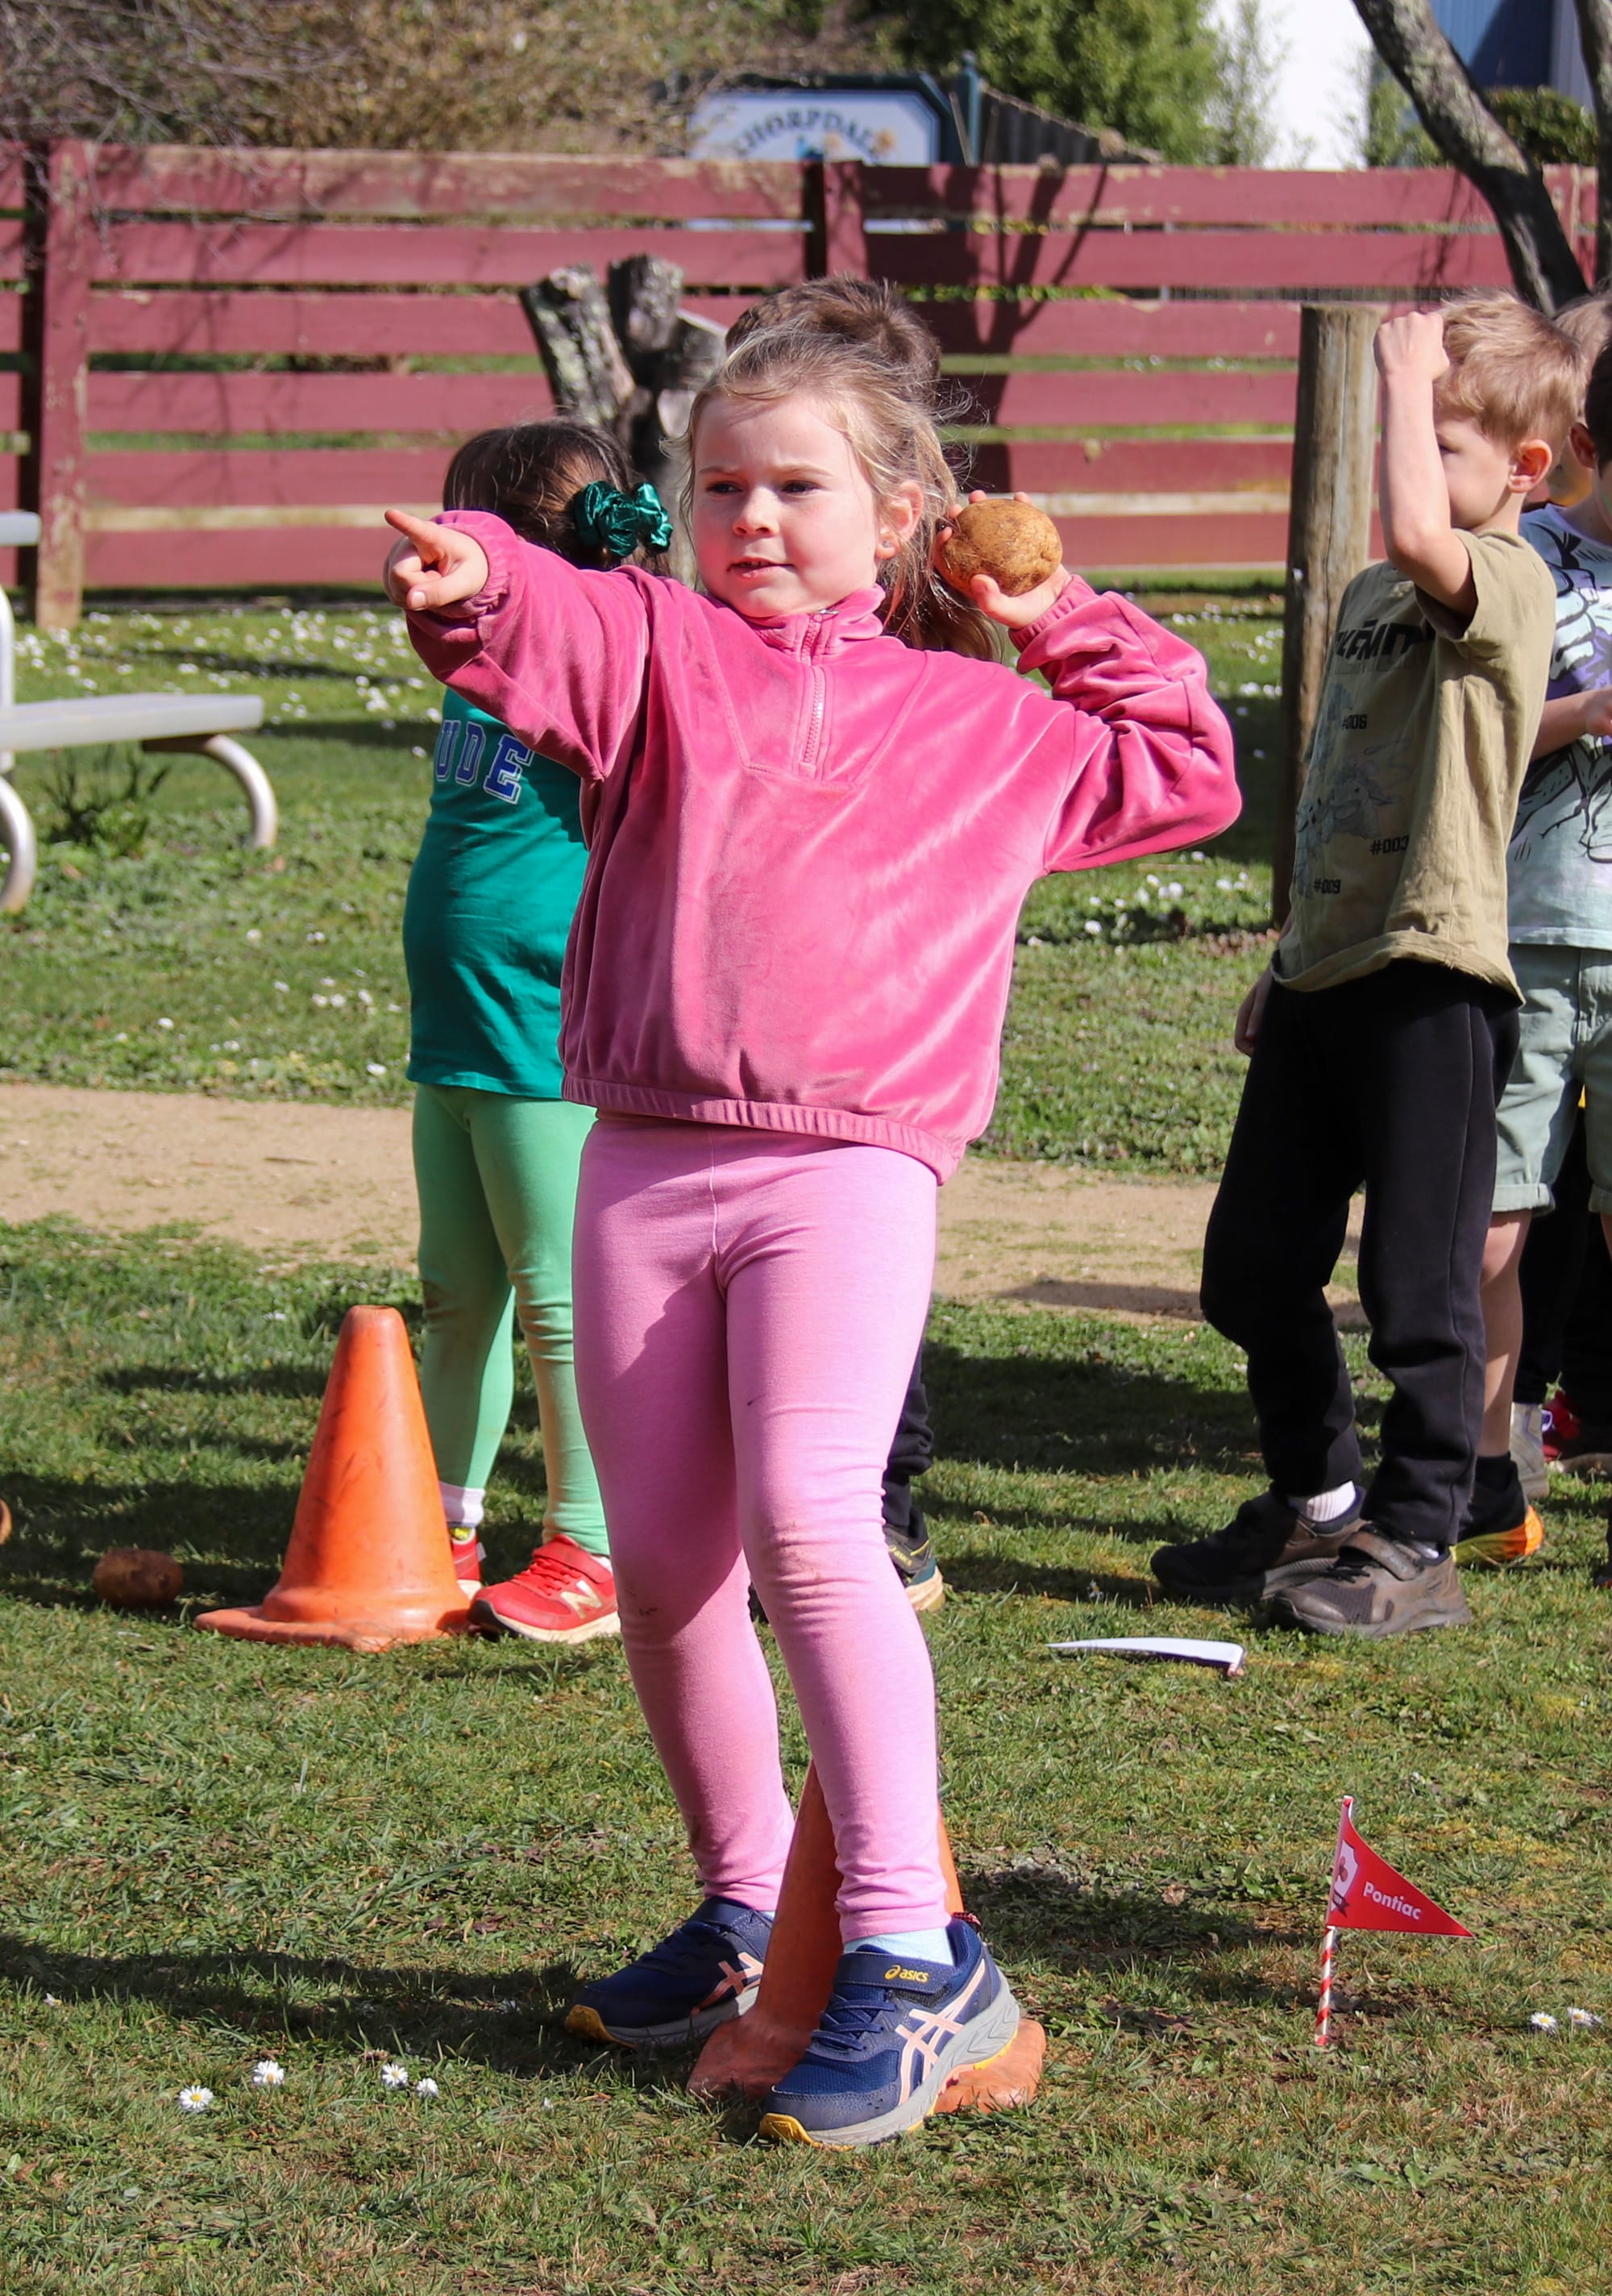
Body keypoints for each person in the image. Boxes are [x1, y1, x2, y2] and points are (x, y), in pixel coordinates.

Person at [383, 308, 1238, 2146]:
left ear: (904, 511)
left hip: (848, 1169)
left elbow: (1186, 763)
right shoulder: (662, 653)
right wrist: (479, 582)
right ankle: (746, 1907)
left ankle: (915, 1953)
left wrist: (1057, 617)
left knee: (810, 1522)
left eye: (796, 486)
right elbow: (554, 627)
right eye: (721, 488)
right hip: (639, 1157)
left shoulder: (986, 720)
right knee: (665, 1564)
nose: (752, 519)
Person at [1154, 292, 1582, 1637]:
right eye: (1411, 434)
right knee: (1250, 1269)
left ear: (1525, 470)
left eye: (1442, 443)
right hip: (1327, 974)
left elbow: (1415, 526)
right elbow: (1339, 779)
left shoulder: (1509, 580)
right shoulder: (1370, 595)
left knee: (1418, 1287)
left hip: (1434, 981)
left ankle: (1420, 1539)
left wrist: (1401, 374)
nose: (1413, 463)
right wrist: (1287, 951)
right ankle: (1321, 1505)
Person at [405, 419, 671, 1643]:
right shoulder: (475, 658)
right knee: (456, 1294)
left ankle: (594, 1548)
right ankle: (437, 1527)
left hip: (539, 1033)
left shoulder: (595, 658)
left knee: (560, 1301)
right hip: (456, 1034)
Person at [1473, 334, 1612, 1589]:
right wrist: (1589, 711)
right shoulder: (1526, 560)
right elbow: (1469, 736)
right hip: (1525, 935)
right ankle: (1483, 1479)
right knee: (1490, 1231)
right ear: (1586, 449)